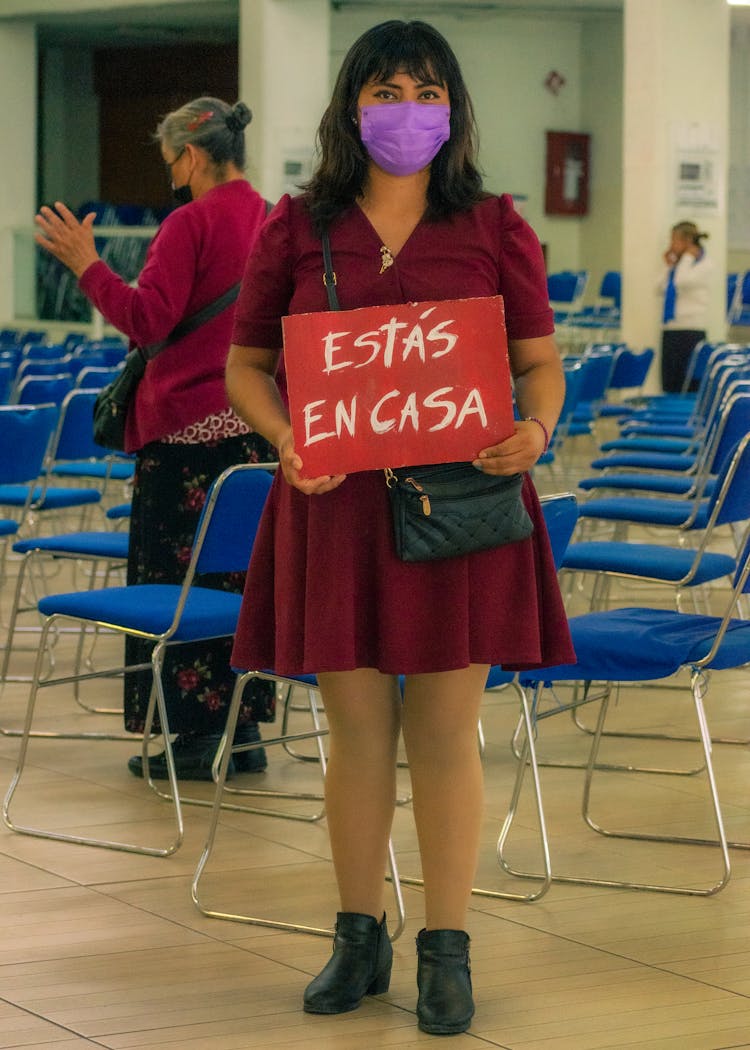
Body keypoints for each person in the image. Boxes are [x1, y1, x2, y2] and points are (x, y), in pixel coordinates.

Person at [225, 21, 575, 1037]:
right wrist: (286, 436)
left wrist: (537, 426)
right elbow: (246, 367)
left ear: (453, 108)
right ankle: (356, 935)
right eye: (385, 89)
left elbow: (539, 363)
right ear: (351, 107)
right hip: (334, 511)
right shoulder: (297, 226)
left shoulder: (496, 226)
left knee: (446, 737)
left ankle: (446, 950)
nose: (406, 108)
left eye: (425, 89)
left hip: (460, 509)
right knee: (358, 737)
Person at [34, 97, 277, 781]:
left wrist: (88, 264)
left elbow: (147, 320)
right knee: (237, 586)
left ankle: (192, 741)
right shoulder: (274, 219)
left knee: (174, 589)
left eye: (170, 158)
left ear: (190, 156)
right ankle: (243, 730)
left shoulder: (189, 222)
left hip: (184, 441)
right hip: (255, 434)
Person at [658, 220, 715, 392]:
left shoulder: (704, 265)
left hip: (690, 329)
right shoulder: (680, 266)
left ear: (687, 242)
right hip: (671, 327)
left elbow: (680, 282)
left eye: (674, 240)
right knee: (669, 384)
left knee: (688, 385)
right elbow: (660, 287)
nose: (671, 245)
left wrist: (688, 256)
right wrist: (670, 266)